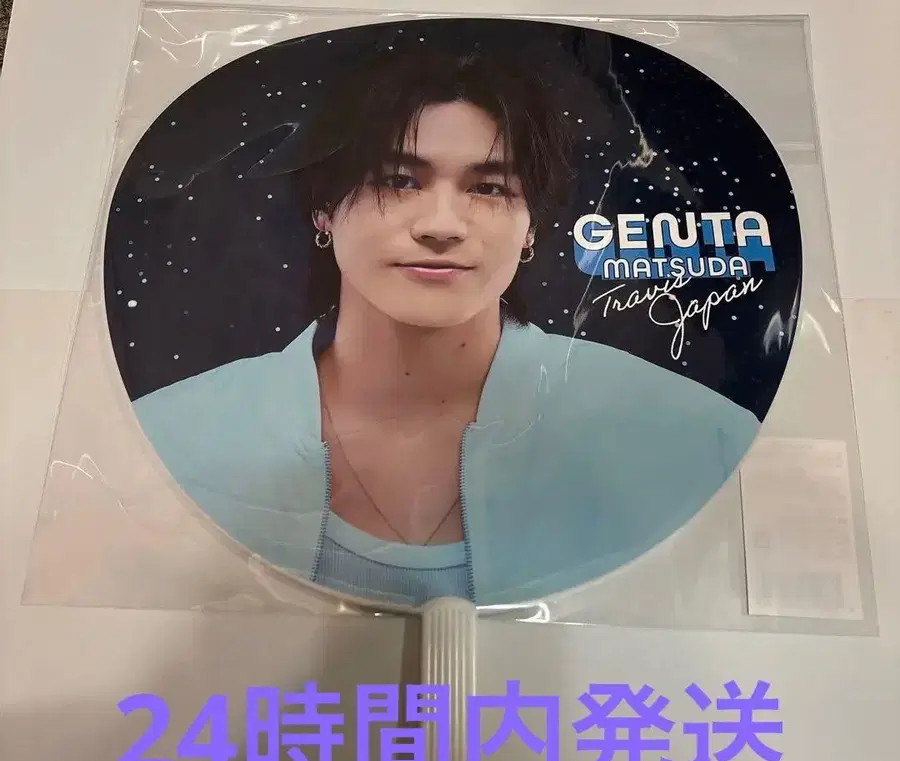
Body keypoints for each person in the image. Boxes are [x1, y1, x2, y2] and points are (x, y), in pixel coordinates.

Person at [132, 47, 760, 608]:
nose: (442, 225)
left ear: (532, 226)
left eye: (489, 188)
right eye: (398, 180)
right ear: (324, 206)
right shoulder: (170, 437)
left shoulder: (691, 436)